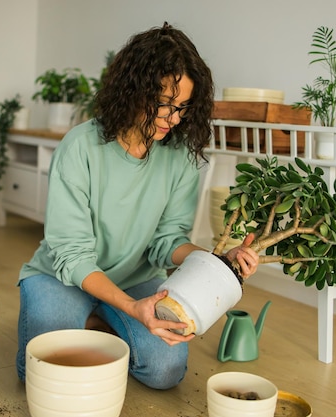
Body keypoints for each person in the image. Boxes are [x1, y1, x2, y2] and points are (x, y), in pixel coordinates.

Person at [16, 22, 259, 390]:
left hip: (136, 278)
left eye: (182, 108)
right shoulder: (80, 147)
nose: (173, 119)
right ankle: (101, 319)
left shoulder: (180, 157)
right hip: (62, 277)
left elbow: (167, 241)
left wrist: (217, 262)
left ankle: (99, 323)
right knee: (42, 373)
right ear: (132, 91)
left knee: (165, 372)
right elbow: (72, 254)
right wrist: (132, 310)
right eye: (164, 104)